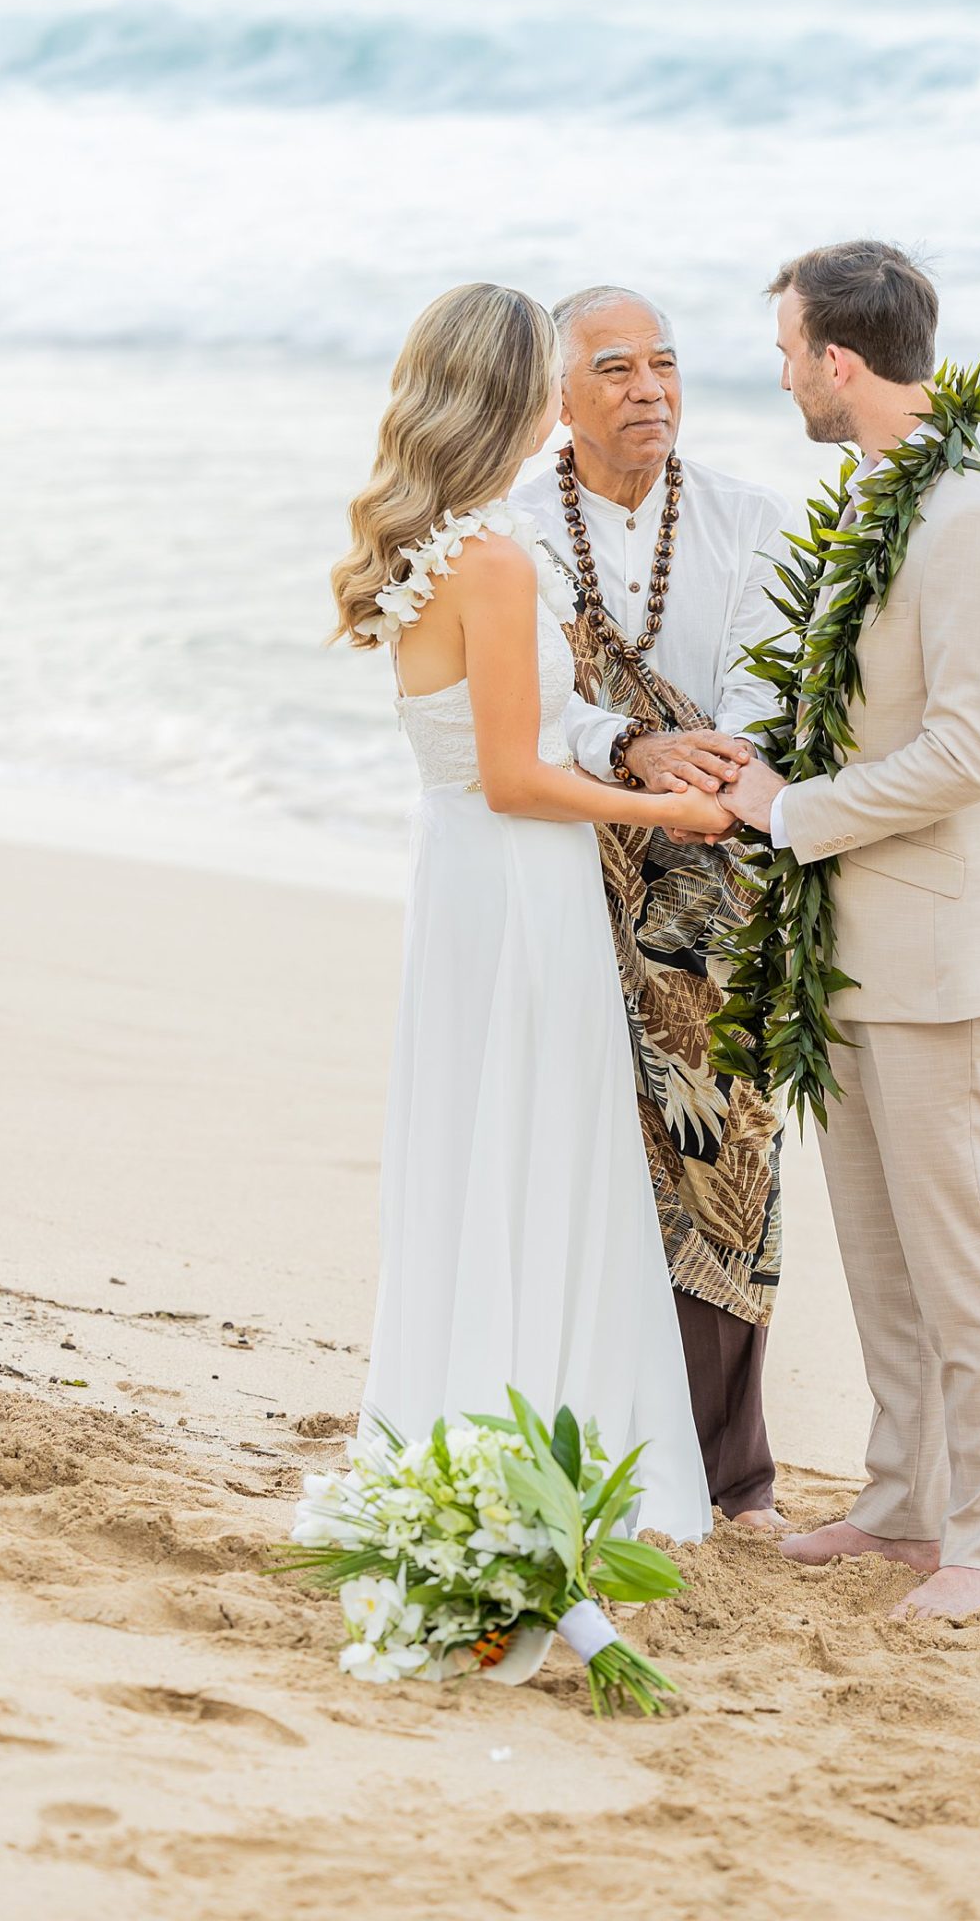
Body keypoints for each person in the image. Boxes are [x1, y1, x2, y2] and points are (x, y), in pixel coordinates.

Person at [330, 282, 726, 1541]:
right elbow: (516, 775)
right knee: (538, 1143)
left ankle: (468, 1409)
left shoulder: (427, 546)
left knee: (481, 1143)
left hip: (461, 882)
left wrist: (623, 750)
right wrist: (680, 814)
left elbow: (497, 752)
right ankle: (537, 1423)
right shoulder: (493, 563)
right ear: (519, 396)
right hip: (517, 888)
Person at [721, 240, 980, 1616]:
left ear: (838, 362)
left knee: (959, 1257)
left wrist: (790, 812)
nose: (784, 373)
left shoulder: (974, 516)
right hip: (850, 944)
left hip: (943, 952)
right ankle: (902, 1504)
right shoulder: (872, 496)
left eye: (789, 349)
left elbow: (970, 753)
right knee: (878, 1251)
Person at [520, 285, 791, 1531]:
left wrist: (706, 759)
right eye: (617, 367)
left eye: (666, 365)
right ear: (558, 396)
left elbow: (764, 689)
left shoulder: (748, 517)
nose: (650, 389)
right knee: (589, 1152)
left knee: (723, 1149)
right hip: (569, 867)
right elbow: (514, 705)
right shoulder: (515, 527)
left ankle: (730, 1475)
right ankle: (584, 1433)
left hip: (716, 876)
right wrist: (621, 743)